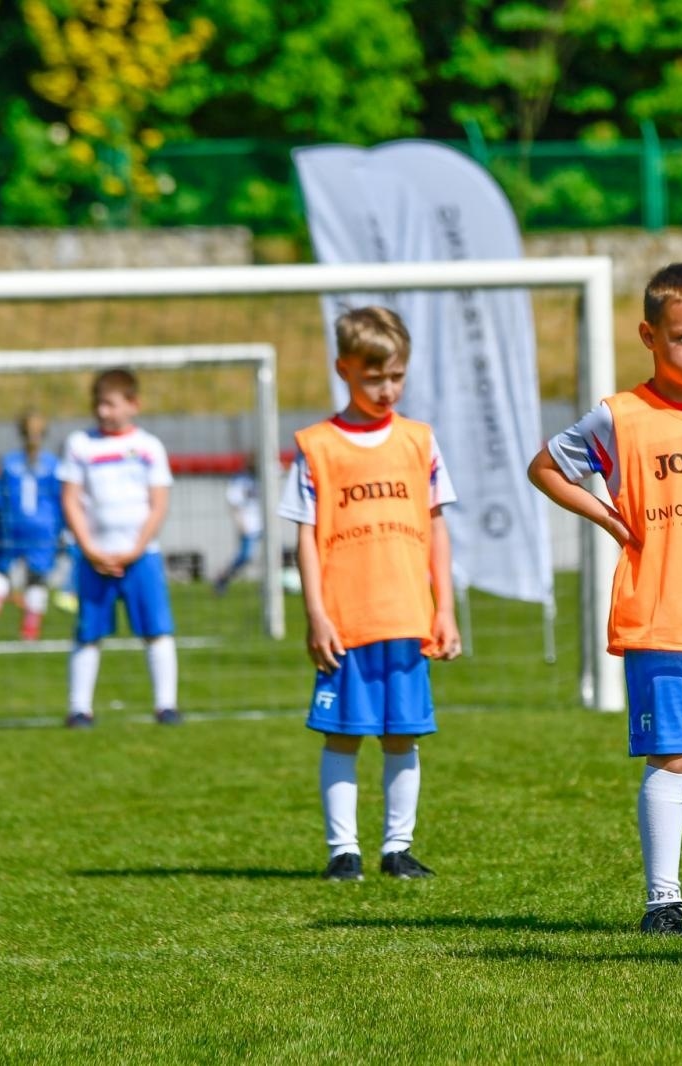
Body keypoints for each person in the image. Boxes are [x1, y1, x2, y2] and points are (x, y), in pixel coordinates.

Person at [528, 262, 682, 935]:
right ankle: (663, 901)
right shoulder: (621, 417)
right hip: (658, 614)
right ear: (649, 334)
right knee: (672, 757)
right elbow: (546, 468)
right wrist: (609, 518)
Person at [278, 306, 463, 882]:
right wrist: (316, 613)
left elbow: (436, 527)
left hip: (407, 617)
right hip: (346, 620)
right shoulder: (317, 447)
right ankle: (343, 851)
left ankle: (397, 848)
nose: (386, 389)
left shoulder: (419, 442)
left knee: (402, 734)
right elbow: (306, 537)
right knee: (343, 734)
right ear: (344, 370)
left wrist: (446, 609)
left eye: (396, 377)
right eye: (372, 378)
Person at [60, 370, 180, 729]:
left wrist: (135, 548)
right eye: (98, 403)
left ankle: (166, 705)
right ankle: (79, 709)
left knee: (156, 629)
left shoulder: (148, 447)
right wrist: (90, 549)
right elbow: (71, 500)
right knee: (88, 631)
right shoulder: (80, 444)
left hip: (141, 556)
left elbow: (158, 502)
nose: (102, 411)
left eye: (110, 404)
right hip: (94, 557)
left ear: (133, 404)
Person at [0, 411, 64, 642]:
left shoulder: (9, 463)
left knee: (1, 572)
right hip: (44, 529)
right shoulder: (53, 464)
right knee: (36, 578)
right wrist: (66, 531)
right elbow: (63, 498)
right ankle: (30, 627)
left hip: (11, 526)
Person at [213, 467, 262, 594]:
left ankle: (269, 586)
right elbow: (233, 504)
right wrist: (240, 523)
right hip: (249, 525)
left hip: (265, 524)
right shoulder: (240, 480)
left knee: (276, 553)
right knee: (245, 556)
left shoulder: (265, 474)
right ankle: (222, 578)